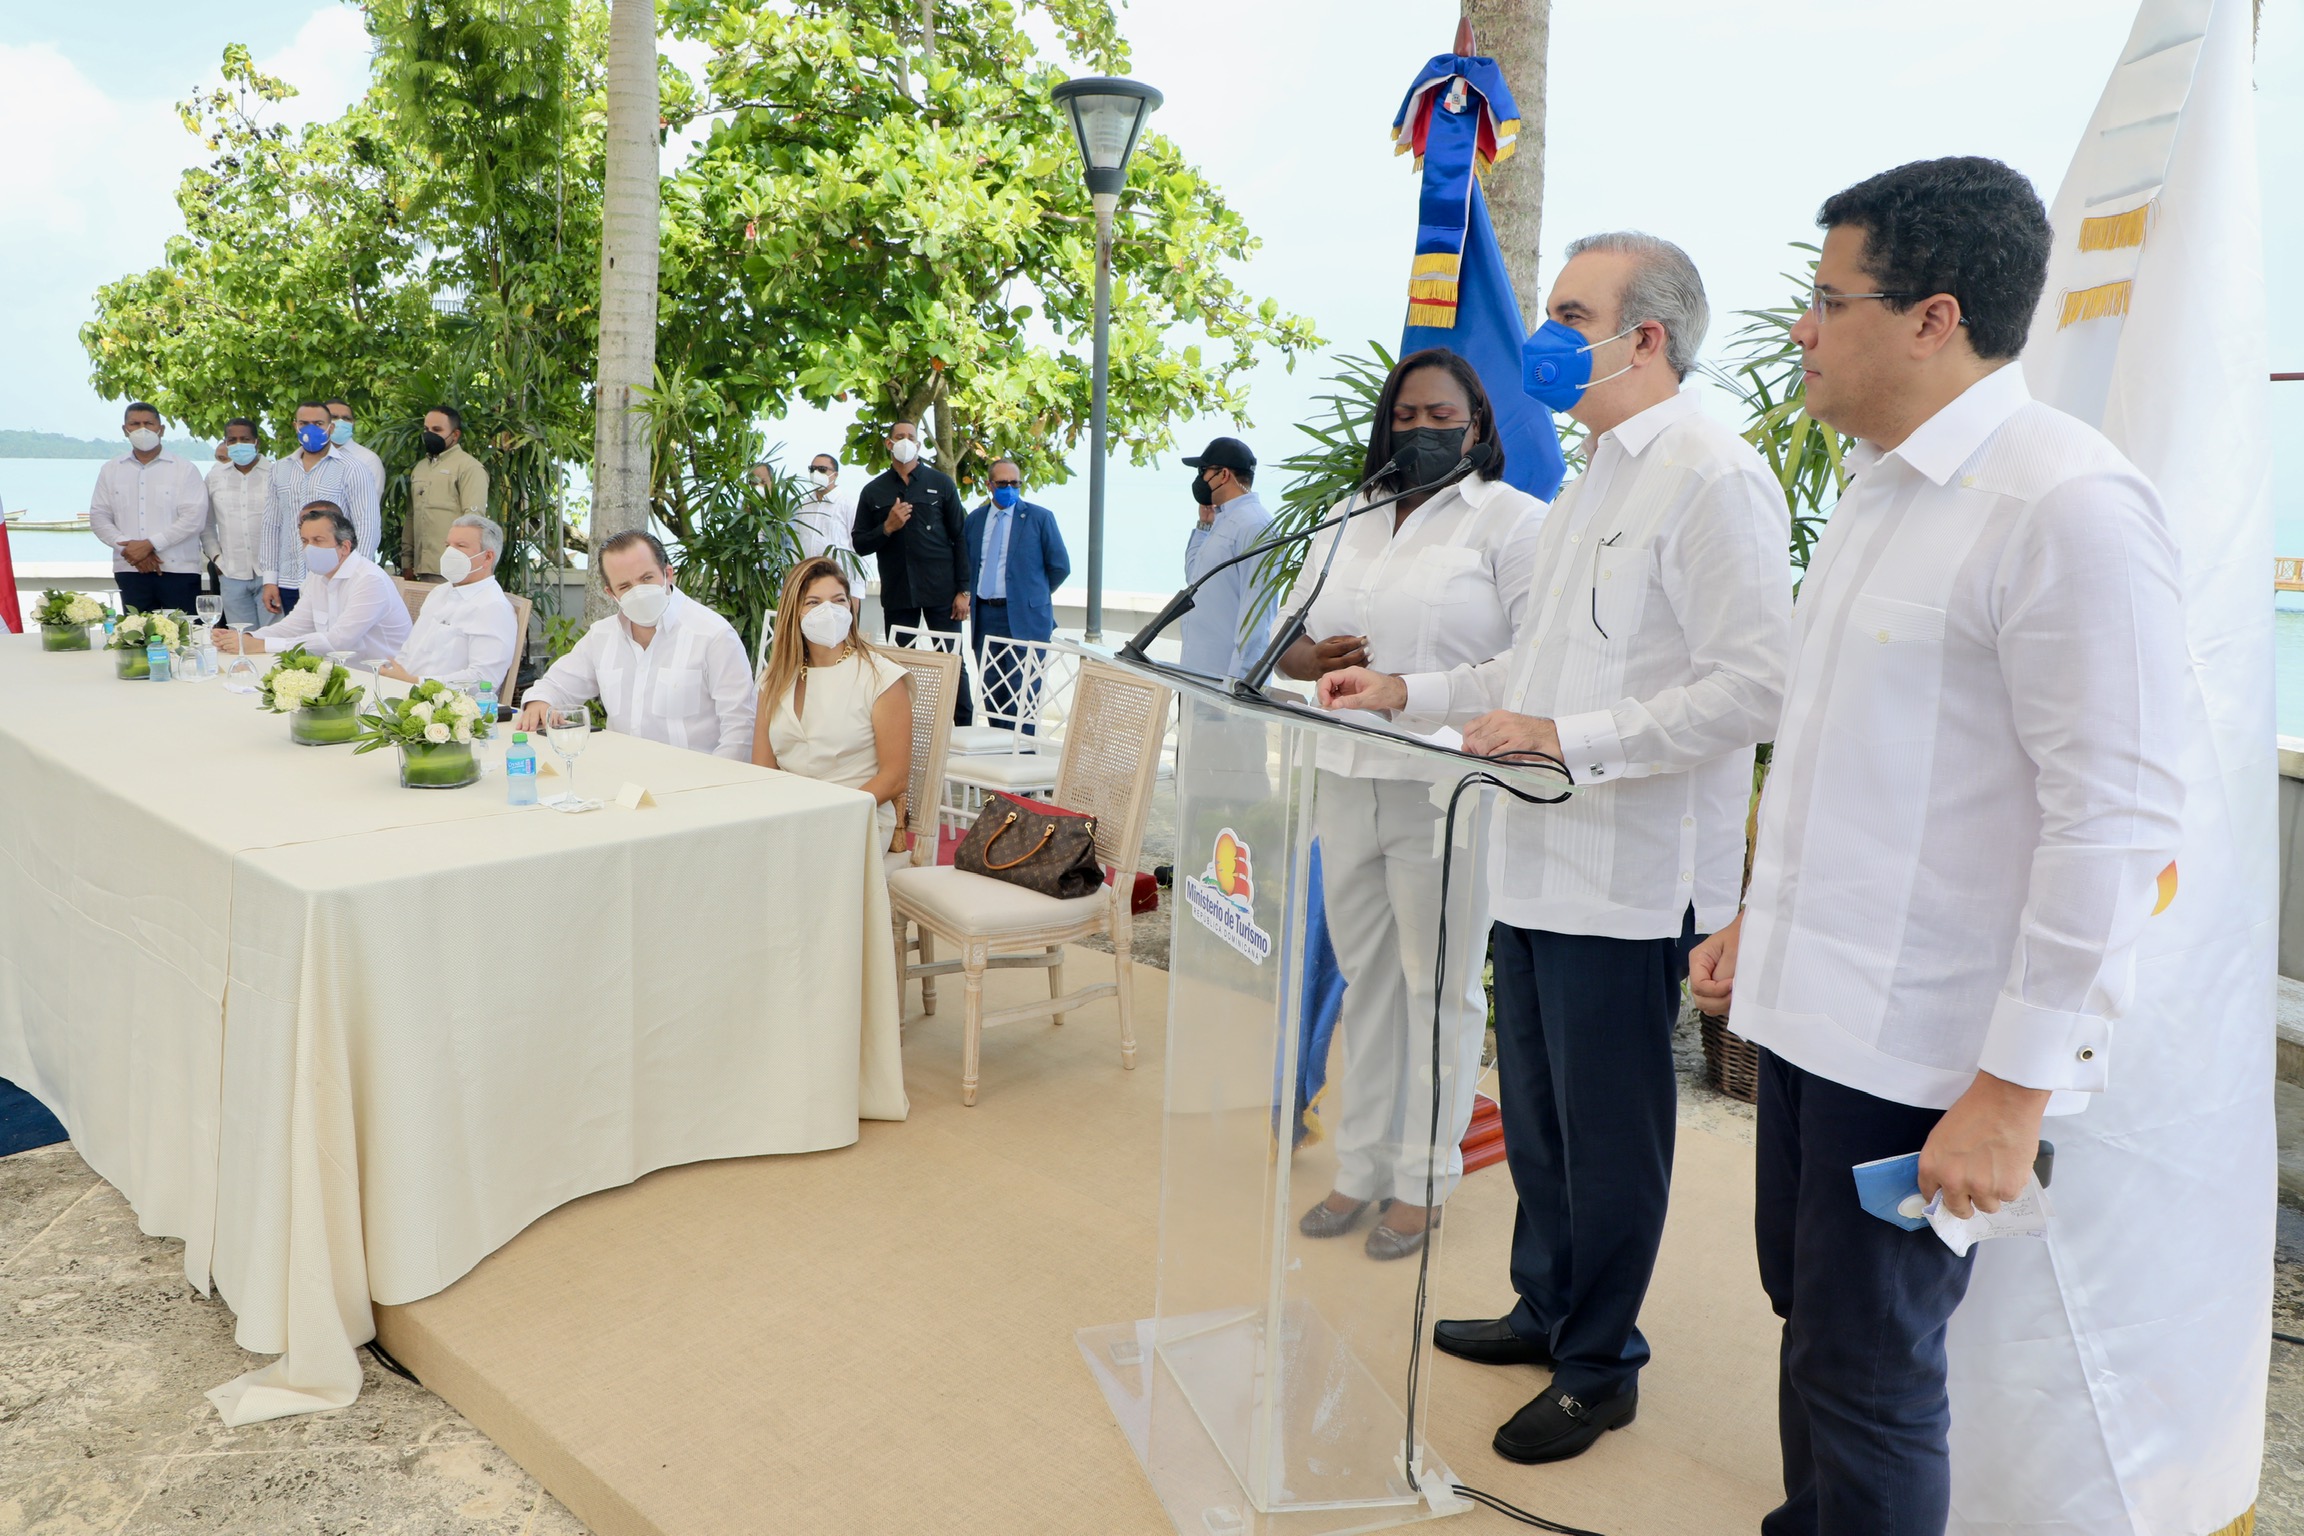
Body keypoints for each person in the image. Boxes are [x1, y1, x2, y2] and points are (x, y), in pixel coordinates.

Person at [1684, 158, 2189, 1536]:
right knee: (1810, 1319)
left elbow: (2115, 822)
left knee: (1871, 1372)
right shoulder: (1875, 491)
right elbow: (1841, 761)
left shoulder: (2065, 504)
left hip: (1927, 1052)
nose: (1801, 329)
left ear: (1932, 318)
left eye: (1826, 299)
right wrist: (1762, 918)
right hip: (1813, 1012)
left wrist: (2014, 1090)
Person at [1321, 231, 1793, 1464]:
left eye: (1572, 314)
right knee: (1535, 1121)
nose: (1544, 335)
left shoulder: (1712, 474)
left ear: (1648, 337)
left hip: (1624, 877)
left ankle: (1598, 1366)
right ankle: (1544, 1306)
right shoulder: (1583, 488)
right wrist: (1406, 691)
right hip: (1529, 859)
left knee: (1609, 1137)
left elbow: (1755, 688)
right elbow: (1517, 677)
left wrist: (1567, 738)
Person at [1276, 348, 1546, 1261]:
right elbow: (1290, 638)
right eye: (1405, 416)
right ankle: (1360, 1166)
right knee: (1369, 980)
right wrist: (1309, 660)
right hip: (1345, 774)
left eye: (1440, 417)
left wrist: (1410, 691)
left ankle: (1424, 1179)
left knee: (1438, 987)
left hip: (1446, 785)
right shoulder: (1348, 516)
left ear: (1477, 427)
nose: (1421, 430)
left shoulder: (1514, 521)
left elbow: (1535, 662)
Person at [516, 530, 756, 760]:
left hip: (696, 780)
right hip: (620, 776)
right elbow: (556, 686)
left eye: (646, 578)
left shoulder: (713, 635)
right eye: (625, 586)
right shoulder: (602, 636)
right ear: (611, 593)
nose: (639, 592)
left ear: (668, 573)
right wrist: (540, 701)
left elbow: (741, 727)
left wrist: (716, 781)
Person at [752, 556, 913, 847]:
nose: (828, 611)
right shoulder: (774, 680)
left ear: (851, 606)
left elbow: (894, 778)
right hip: (788, 815)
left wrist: (830, 815)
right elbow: (762, 768)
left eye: (838, 600)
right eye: (813, 602)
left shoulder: (882, 678)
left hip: (856, 817)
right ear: (794, 612)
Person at [851, 421, 972, 725]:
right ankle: (903, 729)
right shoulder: (873, 490)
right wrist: (887, 527)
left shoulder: (941, 483)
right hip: (899, 592)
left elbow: (960, 537)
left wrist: (964, 590)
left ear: (918, 444)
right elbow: (860, 543)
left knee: (952, 661)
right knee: (899, 665)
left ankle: (962, 730)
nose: (905, 441)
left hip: (942, 592)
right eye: (899, 437)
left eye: (910, 437)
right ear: (889, 444)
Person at [214, 502, 410, 666]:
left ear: (344, 546)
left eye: (318, 540)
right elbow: (292, 627)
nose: (309, 548)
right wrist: (245, 638)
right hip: (339, 672)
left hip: (383, 678)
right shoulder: (317, 577)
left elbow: (338, 641)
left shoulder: (369, 580)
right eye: (305, 541)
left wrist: (262, 645)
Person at [962, 458, 1070, 725]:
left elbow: (1060, 567)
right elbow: (967, 564)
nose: (1009, 488)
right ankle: (997, 748)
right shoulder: (975, 520)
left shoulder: (1039, 518)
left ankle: (1023, 749)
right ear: (989, 485)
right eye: (1002, 484)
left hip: (1026, 619)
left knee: (1023, 699)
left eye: (1015, 483)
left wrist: (1032, 596)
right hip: (986, 617)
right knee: (993, 694)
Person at [89, 401, 210, 615]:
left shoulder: (185, 469)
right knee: (136, 631)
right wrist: (130, 549)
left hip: (179, 570)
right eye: (135, 424)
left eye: (149, 423)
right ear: (125, 429)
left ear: (161, 429)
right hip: (130, 568)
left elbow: (193, 518)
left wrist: (150, 545)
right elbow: (99, 516)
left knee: (186, 631)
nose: (142, 429)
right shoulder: (111, 470)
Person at [264, 401, 380, 618]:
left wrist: (353, 576)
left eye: (318, 423)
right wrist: (270, 578)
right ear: (295, 426)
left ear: (330, 428)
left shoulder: (353, 469)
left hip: (333, 578)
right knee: (292, 637)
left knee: (333, 637)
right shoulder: (279, 469)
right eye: (304, 423)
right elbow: (272, 524)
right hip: (289, 580)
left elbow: (367, 525)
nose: (310, 429)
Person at [381, 514, 519, 689]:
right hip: (400, 690)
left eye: (460, 546)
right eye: (448, 546)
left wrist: (417, 683)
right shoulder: (439, 592)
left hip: (442, 702)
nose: (449, 553)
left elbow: (484, 679)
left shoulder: (493, 607)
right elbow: (408, 652)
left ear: (487, 557)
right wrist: (392, 677)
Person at [1178, 436, 1274, 679]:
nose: (1200, 479)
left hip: (1224, 683)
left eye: (1203, 471)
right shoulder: (1223, 520)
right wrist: (1204, 525)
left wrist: (1237, 685)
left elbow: (1258, 614)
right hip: (1195, 675)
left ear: (1223, 475)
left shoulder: (1254, 524)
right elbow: (1194, 578)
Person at [203, 417, 273, 629]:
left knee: (272, 638)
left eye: (245, 439)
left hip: (269, 575)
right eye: (232, 440)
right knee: (240, 638)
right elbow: (206, 524)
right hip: (231, 574)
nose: (238, 444)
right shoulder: (215, 477)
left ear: (257, 442)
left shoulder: (275, 474)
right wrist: (217, 558)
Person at [405, 406, 490, 580]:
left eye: (437, 430)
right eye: (426, 429)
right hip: (421, 569)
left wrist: (463, 567)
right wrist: (407, 561)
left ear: (455, 434)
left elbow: (473, 521)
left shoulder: (469, 468)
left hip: (453, 571)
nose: (430, 434)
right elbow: (411, 516)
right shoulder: (420, 468)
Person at [781, 453, 860, 573]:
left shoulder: (848, 505)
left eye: (822, 469)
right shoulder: (804, 506)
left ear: (835, 475)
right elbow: (797, 545)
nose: (816, 473)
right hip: (808, 576)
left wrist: (855, 583)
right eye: (812, 469)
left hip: (839, 577)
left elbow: (860, 547)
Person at [323, 398, 389, 526]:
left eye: (346, 418)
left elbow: (368, 513)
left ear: (353, 423)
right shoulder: (309, 457)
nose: (340, 422)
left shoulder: (368, 460)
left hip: (350, 535)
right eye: (334, 417)